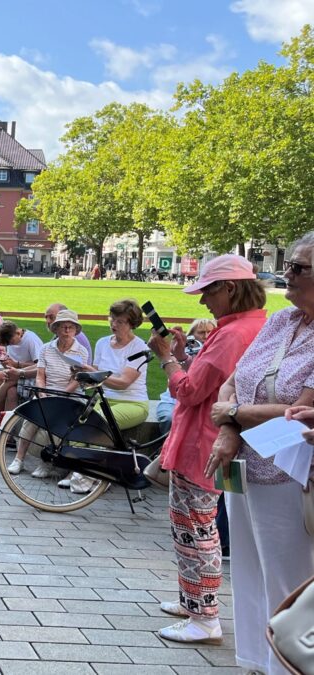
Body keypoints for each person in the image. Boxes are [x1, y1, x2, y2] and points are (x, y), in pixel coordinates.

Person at [145, 254, 267, 647]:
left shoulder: (232, 333)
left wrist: (167, 360)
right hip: (209, 441)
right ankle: (194, 602)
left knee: (197, 531)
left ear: (229, 288)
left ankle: (205, 616)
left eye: (207, 292)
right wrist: (184, 357)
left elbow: (189, 390)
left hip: (202, 443)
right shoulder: (249, 326)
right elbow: (206, 379)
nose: (202, 302)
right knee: (193, 528)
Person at [205, 235, 314, 675]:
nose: (287, 274)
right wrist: (230, 428)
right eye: (289, 265)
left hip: (292, 477)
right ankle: (255, 662)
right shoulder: (282, 320)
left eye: (299, 268)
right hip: (245, 468)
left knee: (288, 585)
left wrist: (231, 414)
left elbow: (301, 412)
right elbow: (237, 377)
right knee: (248, 573)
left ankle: (287, 666)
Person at [69, 299, 150, 494]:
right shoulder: (103, 342)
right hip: (105, 399)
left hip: (133, 402)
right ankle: (79, 473)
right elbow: (95, 376)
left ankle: (94, 478)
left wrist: (96, 374)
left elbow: (123, 383)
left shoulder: (139, 348)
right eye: (112, 319)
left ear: (132, 324)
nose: (113, 324)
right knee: (77, 425)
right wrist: (82, 374)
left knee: (99, 425)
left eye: (120, 321)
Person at [3, 310, 90, 464]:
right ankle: (19, 458)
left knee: (57, 424)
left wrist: (60, 395)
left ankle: (48, 464)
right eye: (63, 327)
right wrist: (42, 393)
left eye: (71, 327)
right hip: (46, 391)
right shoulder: (46, 348)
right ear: (56, 329)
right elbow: (40, 375)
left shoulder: (81, 351)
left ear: (76, 330)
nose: (67, 330)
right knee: (31, 418)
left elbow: (76, 379)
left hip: (69, 395)